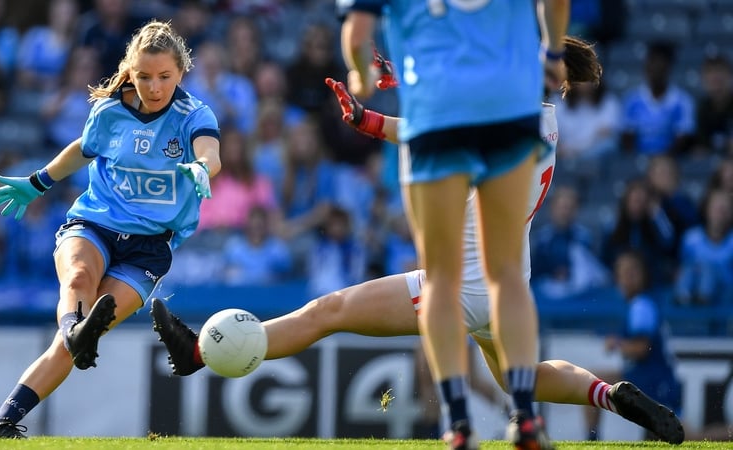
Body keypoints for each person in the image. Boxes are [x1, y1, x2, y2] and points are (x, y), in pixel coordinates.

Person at [151, 39, 684, 447]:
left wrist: (377, 108)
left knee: (327, 311)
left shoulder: (504, 122)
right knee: (520, 378)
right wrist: (376, 113)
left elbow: (433, 126)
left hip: (459, 288)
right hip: (506, 287)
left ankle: (197, 354)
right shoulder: (541, 124)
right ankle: (610, 395)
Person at [337, 2, 568, 449]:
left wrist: (362, 74)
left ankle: (459, 425)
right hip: (508, 112)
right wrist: (554, 54)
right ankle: (524, 417)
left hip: (437, 116)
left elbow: (357, 32)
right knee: (506, 275)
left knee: (441, 278)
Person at [0, 20, 221, 438]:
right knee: (78, 281)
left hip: (149, 247)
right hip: (95, 223)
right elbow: (83, 150)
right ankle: (76, 328)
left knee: (71, 342)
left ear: (181, 72)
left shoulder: (193, 115)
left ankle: (3, 422)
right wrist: (38, 182)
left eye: (164, 76)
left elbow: (210, 151)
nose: (155, 86)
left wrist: (202, 169)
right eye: (144, 76)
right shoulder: (109, 111)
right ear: (130, 72)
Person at [586, 250, 683, 441]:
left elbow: (641, 349)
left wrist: (616, 343)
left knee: (592, 382)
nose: (626, 278)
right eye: (622, 272)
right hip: (649, 381)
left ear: (643, 275)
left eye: (632, 272)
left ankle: (591, 439)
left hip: (653, 384)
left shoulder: (642, 305)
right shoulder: (641, 304)